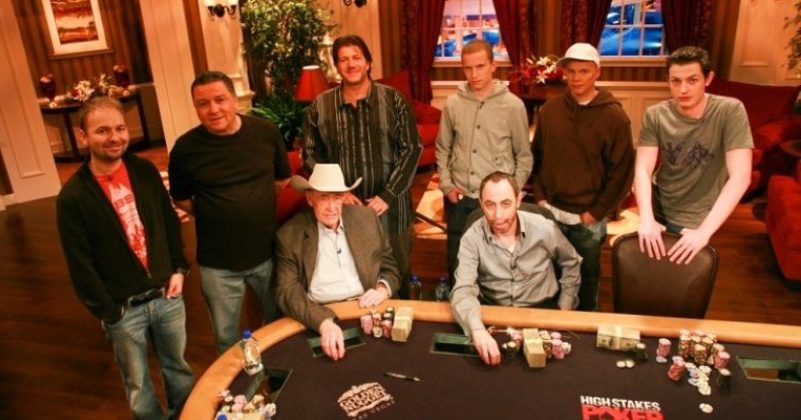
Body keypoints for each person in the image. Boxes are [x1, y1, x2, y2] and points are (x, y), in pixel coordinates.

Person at [57, 97, 194, 419]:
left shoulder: (144, 171)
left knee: (179, 368)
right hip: (123, 310)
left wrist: (179, 268)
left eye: (120, 128)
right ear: (83, 136)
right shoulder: (73, 197)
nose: (114, 137)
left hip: (167, 295)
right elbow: (80, 263)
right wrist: (109, 311)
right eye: (102, 130)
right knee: (137, 384)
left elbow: (168, 222)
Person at [168, 71, 292, 353]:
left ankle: (279, 372)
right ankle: (236, 382)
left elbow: (281, 180)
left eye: (220, 99)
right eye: (203, 104)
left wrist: (252, 204)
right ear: (195, 108)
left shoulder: (266, 133)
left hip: (268, 253)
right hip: (217, 263)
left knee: (278, 326)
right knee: (226, 338)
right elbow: (182, 199)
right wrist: (216, 212)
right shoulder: (185, 149)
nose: (213, 109)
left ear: (235, 100)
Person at [303, 35, 421, 296]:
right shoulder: (320, 106)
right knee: (356, 277)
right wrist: (338, 192)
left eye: (356, 57)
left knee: (397, 277)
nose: (351, 64)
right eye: (343, 59)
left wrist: (388, 195)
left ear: (368, 62)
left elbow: (412, 149)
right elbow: (310, 155)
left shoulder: (394, 100)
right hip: (344, 210)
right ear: (337, 66)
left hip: (393, 210)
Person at [529, 42, 634, 311]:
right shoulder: (550, 111)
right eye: (571, 71)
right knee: (549, 274)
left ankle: (586, 323)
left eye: (584, 71)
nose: (576, 78)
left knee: (587, 278)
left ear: (597, 72)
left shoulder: (615, 117)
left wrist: (596, 213)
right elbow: (537, 157)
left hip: (588, 218)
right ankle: (552, 323)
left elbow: (621, 172)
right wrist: (540, 198)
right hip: (551, 211)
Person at [636, 46, 753, 264]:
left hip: (697, 215)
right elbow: (643, 168)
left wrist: (704, 232)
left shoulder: (730, 111)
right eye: (675, 81)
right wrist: (646, 218)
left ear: (708, 79)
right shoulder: (655, 114)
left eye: (692, 80)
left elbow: (741, 177)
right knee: (652, 272)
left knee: (685, 276)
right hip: (659, 205)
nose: (683, 90)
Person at [450, 172, 582, 366]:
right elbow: (463, 289)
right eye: (490, 205)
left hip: (543, 312)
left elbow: (572, 261)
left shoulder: (544, 228)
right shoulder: (472, 237)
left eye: (505, 204)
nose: (498, 215)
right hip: (495, 315)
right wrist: (477, 330)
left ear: (518, 200)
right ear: (481, 203)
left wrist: (564, 307)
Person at [275, 164, 400, 360]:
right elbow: (287, 291)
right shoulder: (289, 235)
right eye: (324, 198)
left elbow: (388, 264)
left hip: (367, 309)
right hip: (319, 313)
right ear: (309, 199)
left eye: (337, 197)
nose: (332, 208)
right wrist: (323, 323)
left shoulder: (365, 219)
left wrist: (382, 289)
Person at [436, 39, 533, 283]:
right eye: (468, 68)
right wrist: (447, 185)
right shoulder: (453, 104)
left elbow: (524, 156)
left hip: (496, 202)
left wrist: (512, 193)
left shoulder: (513, 106)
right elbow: (443, 148)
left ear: (493, 66)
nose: (474, 74)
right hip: (460, 197)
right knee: (458, 265)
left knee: (496, 267)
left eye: (480, 66)